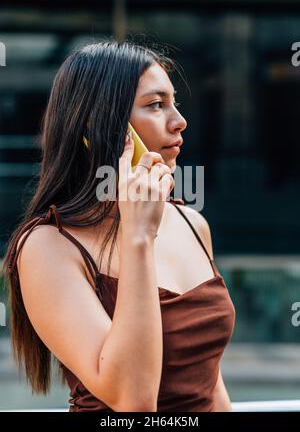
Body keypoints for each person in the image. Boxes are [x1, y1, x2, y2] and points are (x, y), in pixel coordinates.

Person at [2, 39, 236, 412]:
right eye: (156, 105)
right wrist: (138, 236)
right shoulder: (48, 246)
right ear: (99, 125)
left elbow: (211, 387)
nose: (179, 121)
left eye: (175, 103)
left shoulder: (191, 223)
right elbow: (133, 401)